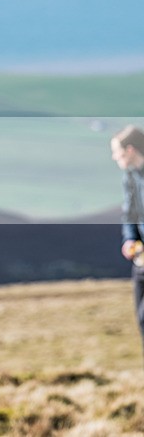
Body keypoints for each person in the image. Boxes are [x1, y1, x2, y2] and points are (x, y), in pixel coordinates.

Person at [111, 125, 144, 363]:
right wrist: (129, 239)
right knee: (141, 317)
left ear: (130, 150)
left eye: (117, 152)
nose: (115, 158)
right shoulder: (130, 176)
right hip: (140, 258)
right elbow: (129, 213)